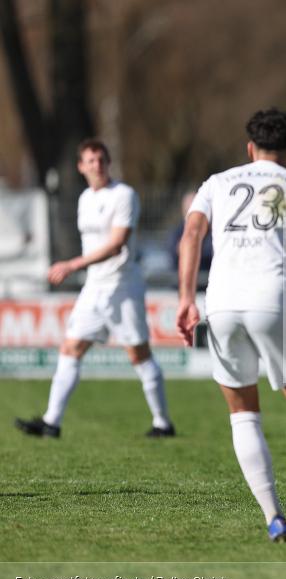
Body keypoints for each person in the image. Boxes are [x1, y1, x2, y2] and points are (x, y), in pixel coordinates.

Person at [176, 108, 286, 542]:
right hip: (272, 299)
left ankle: (273, 516)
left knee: (243, 415)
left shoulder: (216, 184)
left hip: (220, 303)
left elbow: (190, 236)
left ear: (249, 147)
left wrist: (185, 298)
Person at [15, 140, 175, 439]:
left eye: (101, 159)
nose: (97, 165)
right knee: (71, 347)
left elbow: (116, 245)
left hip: (123, 286)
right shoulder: (85, 198)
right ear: (81, 167)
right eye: (90, 161)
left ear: (108, 162)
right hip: (95, 288)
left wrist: (72, 265)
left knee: (138, 355)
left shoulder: (124, 195)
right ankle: (52, 422)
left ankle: (162, 422)